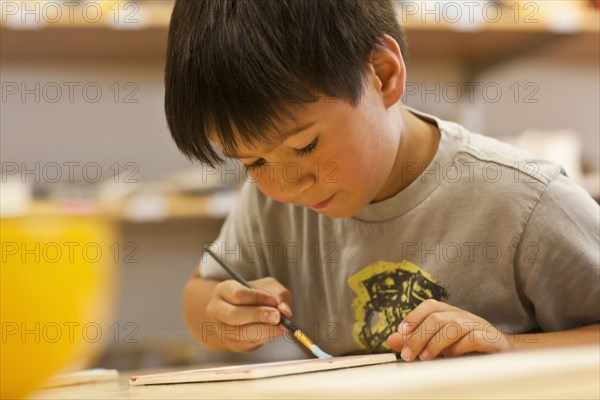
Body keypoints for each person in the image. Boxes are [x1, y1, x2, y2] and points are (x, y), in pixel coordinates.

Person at [164, 0, 599, 362]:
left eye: (306, 146)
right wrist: (224, 316)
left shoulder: (526, 200)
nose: (290, 184)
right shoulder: (268, 204)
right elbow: (198, 292)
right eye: (254, 162)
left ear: (383, 74)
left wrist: (510, 347)